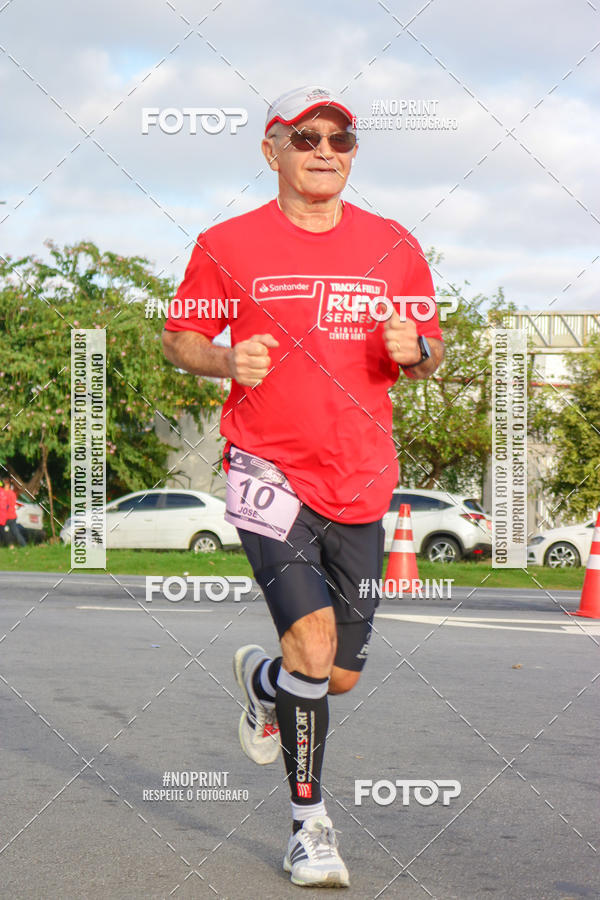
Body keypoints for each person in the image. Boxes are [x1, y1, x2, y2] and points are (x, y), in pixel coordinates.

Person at [162, 85, 444, 888]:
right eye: (306, 135)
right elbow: (181, 337)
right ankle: (308, 826)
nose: (326, 149)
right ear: (271, 150)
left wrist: (416, 346)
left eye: (342, 138)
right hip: (266, 466)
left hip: (361, 475)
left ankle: (261, 684)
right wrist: (224, 360)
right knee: (313, 649)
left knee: (334, 674)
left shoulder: (395, 246)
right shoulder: (227, 244)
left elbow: (432, 352)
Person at [0, 479, 26, 547]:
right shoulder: (10, 493)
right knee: (13, 532)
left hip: (8, 516)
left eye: (5, 484)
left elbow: (7, 505)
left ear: (8, 485)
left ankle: (14, 545)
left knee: (9, 532)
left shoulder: (7, 494)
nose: (3, 485)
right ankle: (21, 545)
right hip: (10, 516)